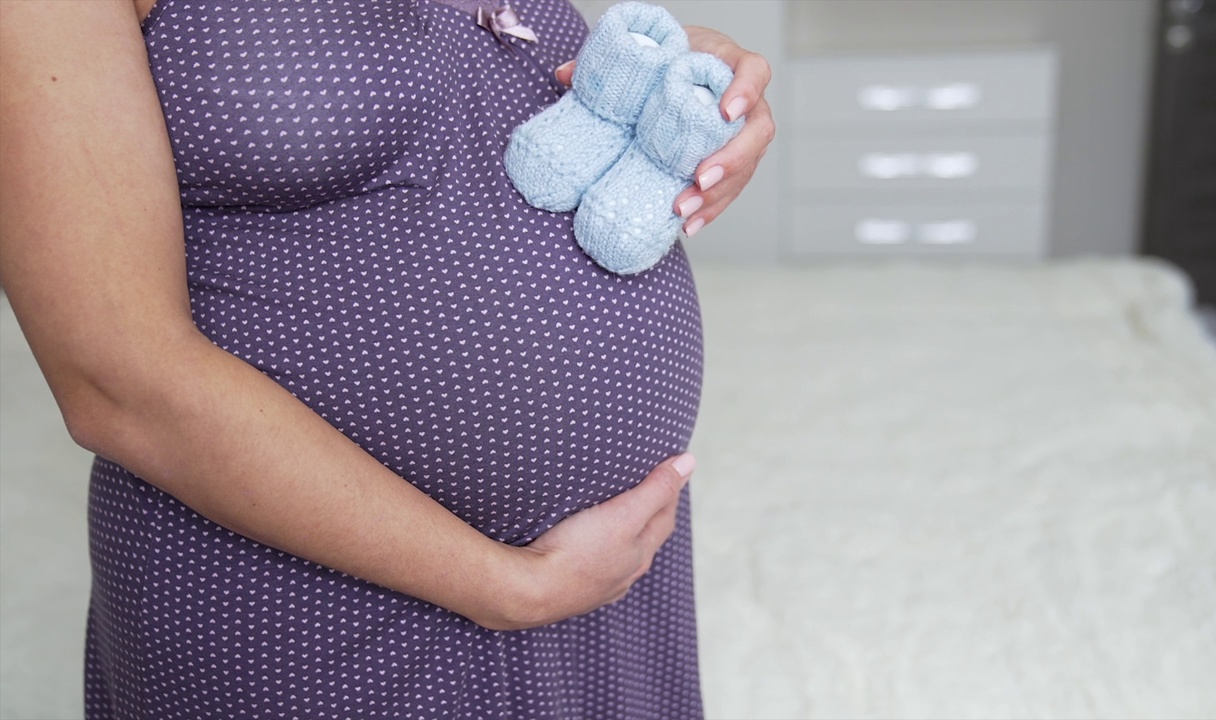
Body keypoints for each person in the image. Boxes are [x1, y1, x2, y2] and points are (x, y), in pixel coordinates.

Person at [0, 0, 774, 716]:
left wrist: (682, 84)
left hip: (608, 571)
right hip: (302, 600)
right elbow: (116, 378)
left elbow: (517, 111)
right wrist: (514, 586)